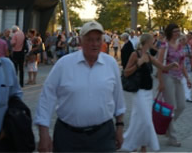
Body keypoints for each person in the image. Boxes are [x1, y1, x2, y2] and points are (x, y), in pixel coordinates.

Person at [35, 21, 126, 152]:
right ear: (81, 41)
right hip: (68, 137)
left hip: (103, 136)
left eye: (98, 39)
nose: (94, 44)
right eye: (89, 39)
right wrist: (43, 134)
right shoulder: (64, 64)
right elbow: (46, 98)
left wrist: (120, 127)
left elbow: (118, 99)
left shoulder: (110, 64)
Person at [121, 33, 175, 153]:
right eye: (152, 41)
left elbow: (162, 67)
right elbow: (126, 73)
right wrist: (139, 63)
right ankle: (150, 146)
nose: (154, 43)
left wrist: (172, 65)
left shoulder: (149, 55)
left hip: (148, 92)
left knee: (138, 119)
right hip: (139, 91)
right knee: (146, 120)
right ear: (147, 42)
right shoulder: (135, 54)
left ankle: (138, 146)